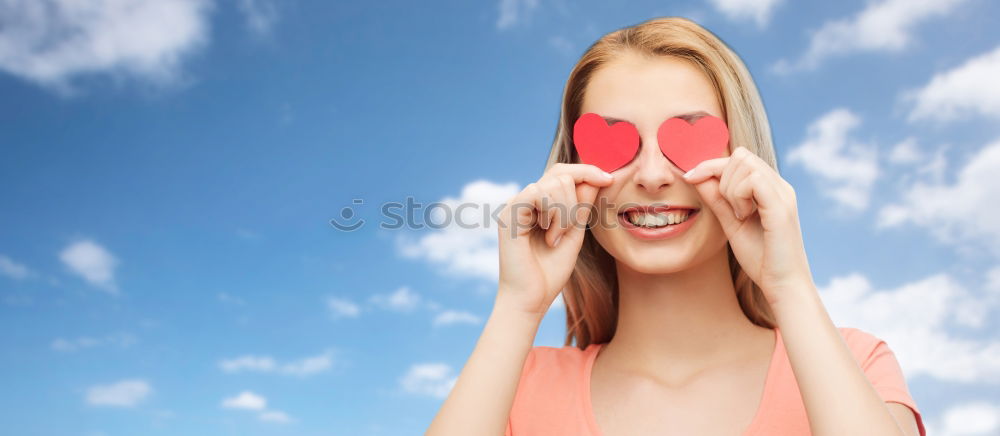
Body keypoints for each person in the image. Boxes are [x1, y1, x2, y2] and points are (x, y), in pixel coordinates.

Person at [426, 16, 925, 436]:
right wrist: (518, 305)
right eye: (614, 145)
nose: (651, 176)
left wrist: (789, 285)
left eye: (688, 139)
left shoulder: (855, 364)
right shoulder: (516, 387)